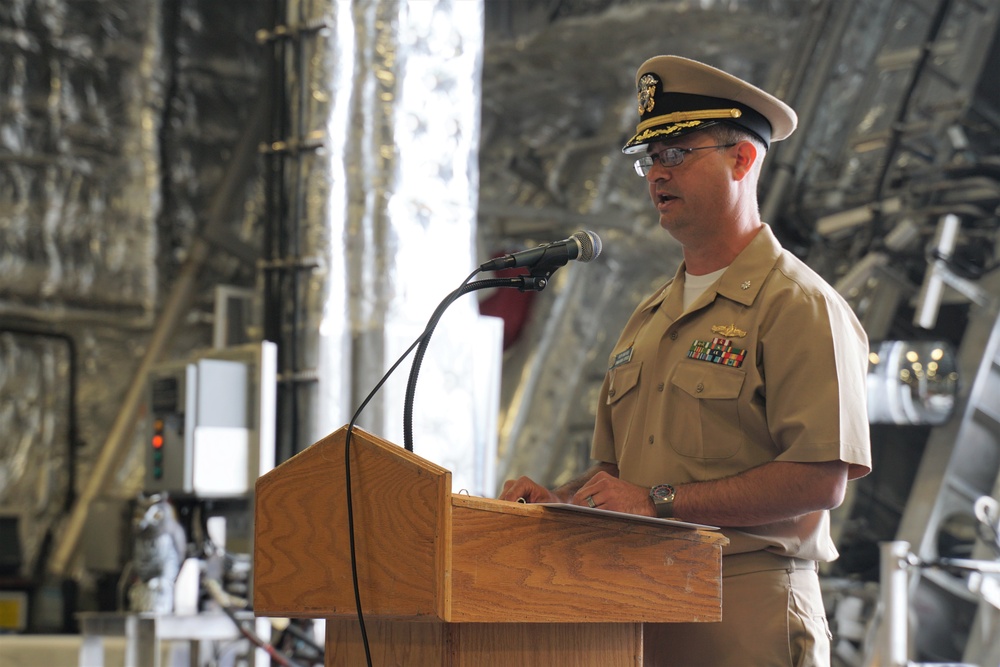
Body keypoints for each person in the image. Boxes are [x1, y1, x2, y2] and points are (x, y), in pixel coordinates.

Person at [499, 55, 872, 667]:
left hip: (745, 612)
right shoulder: (649, 318)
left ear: (742, 159)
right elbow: (621, 476)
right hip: (638, 609)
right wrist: (560, 502)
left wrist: (658, 501)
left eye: (675, 152)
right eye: (648, 159)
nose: (655, 175)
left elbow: (821, 479)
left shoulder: (799, 305)